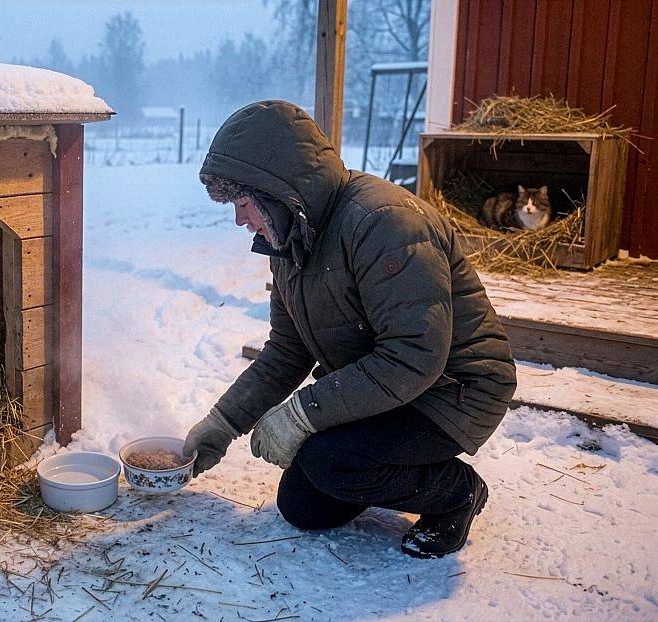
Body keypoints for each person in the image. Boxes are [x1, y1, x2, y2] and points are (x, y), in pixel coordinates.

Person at [182, 101, 517, 559]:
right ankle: (381, 464)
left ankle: (457, 492)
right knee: (304, 506)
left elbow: (414, 355)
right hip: (389, 384)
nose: (240, 220)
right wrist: (222, 423)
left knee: (333, 462)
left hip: (453, 390)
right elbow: (286, 350)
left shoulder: (384, 223)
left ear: (278, 191)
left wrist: (303, 415)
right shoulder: (291, 240)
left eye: (243, 203)